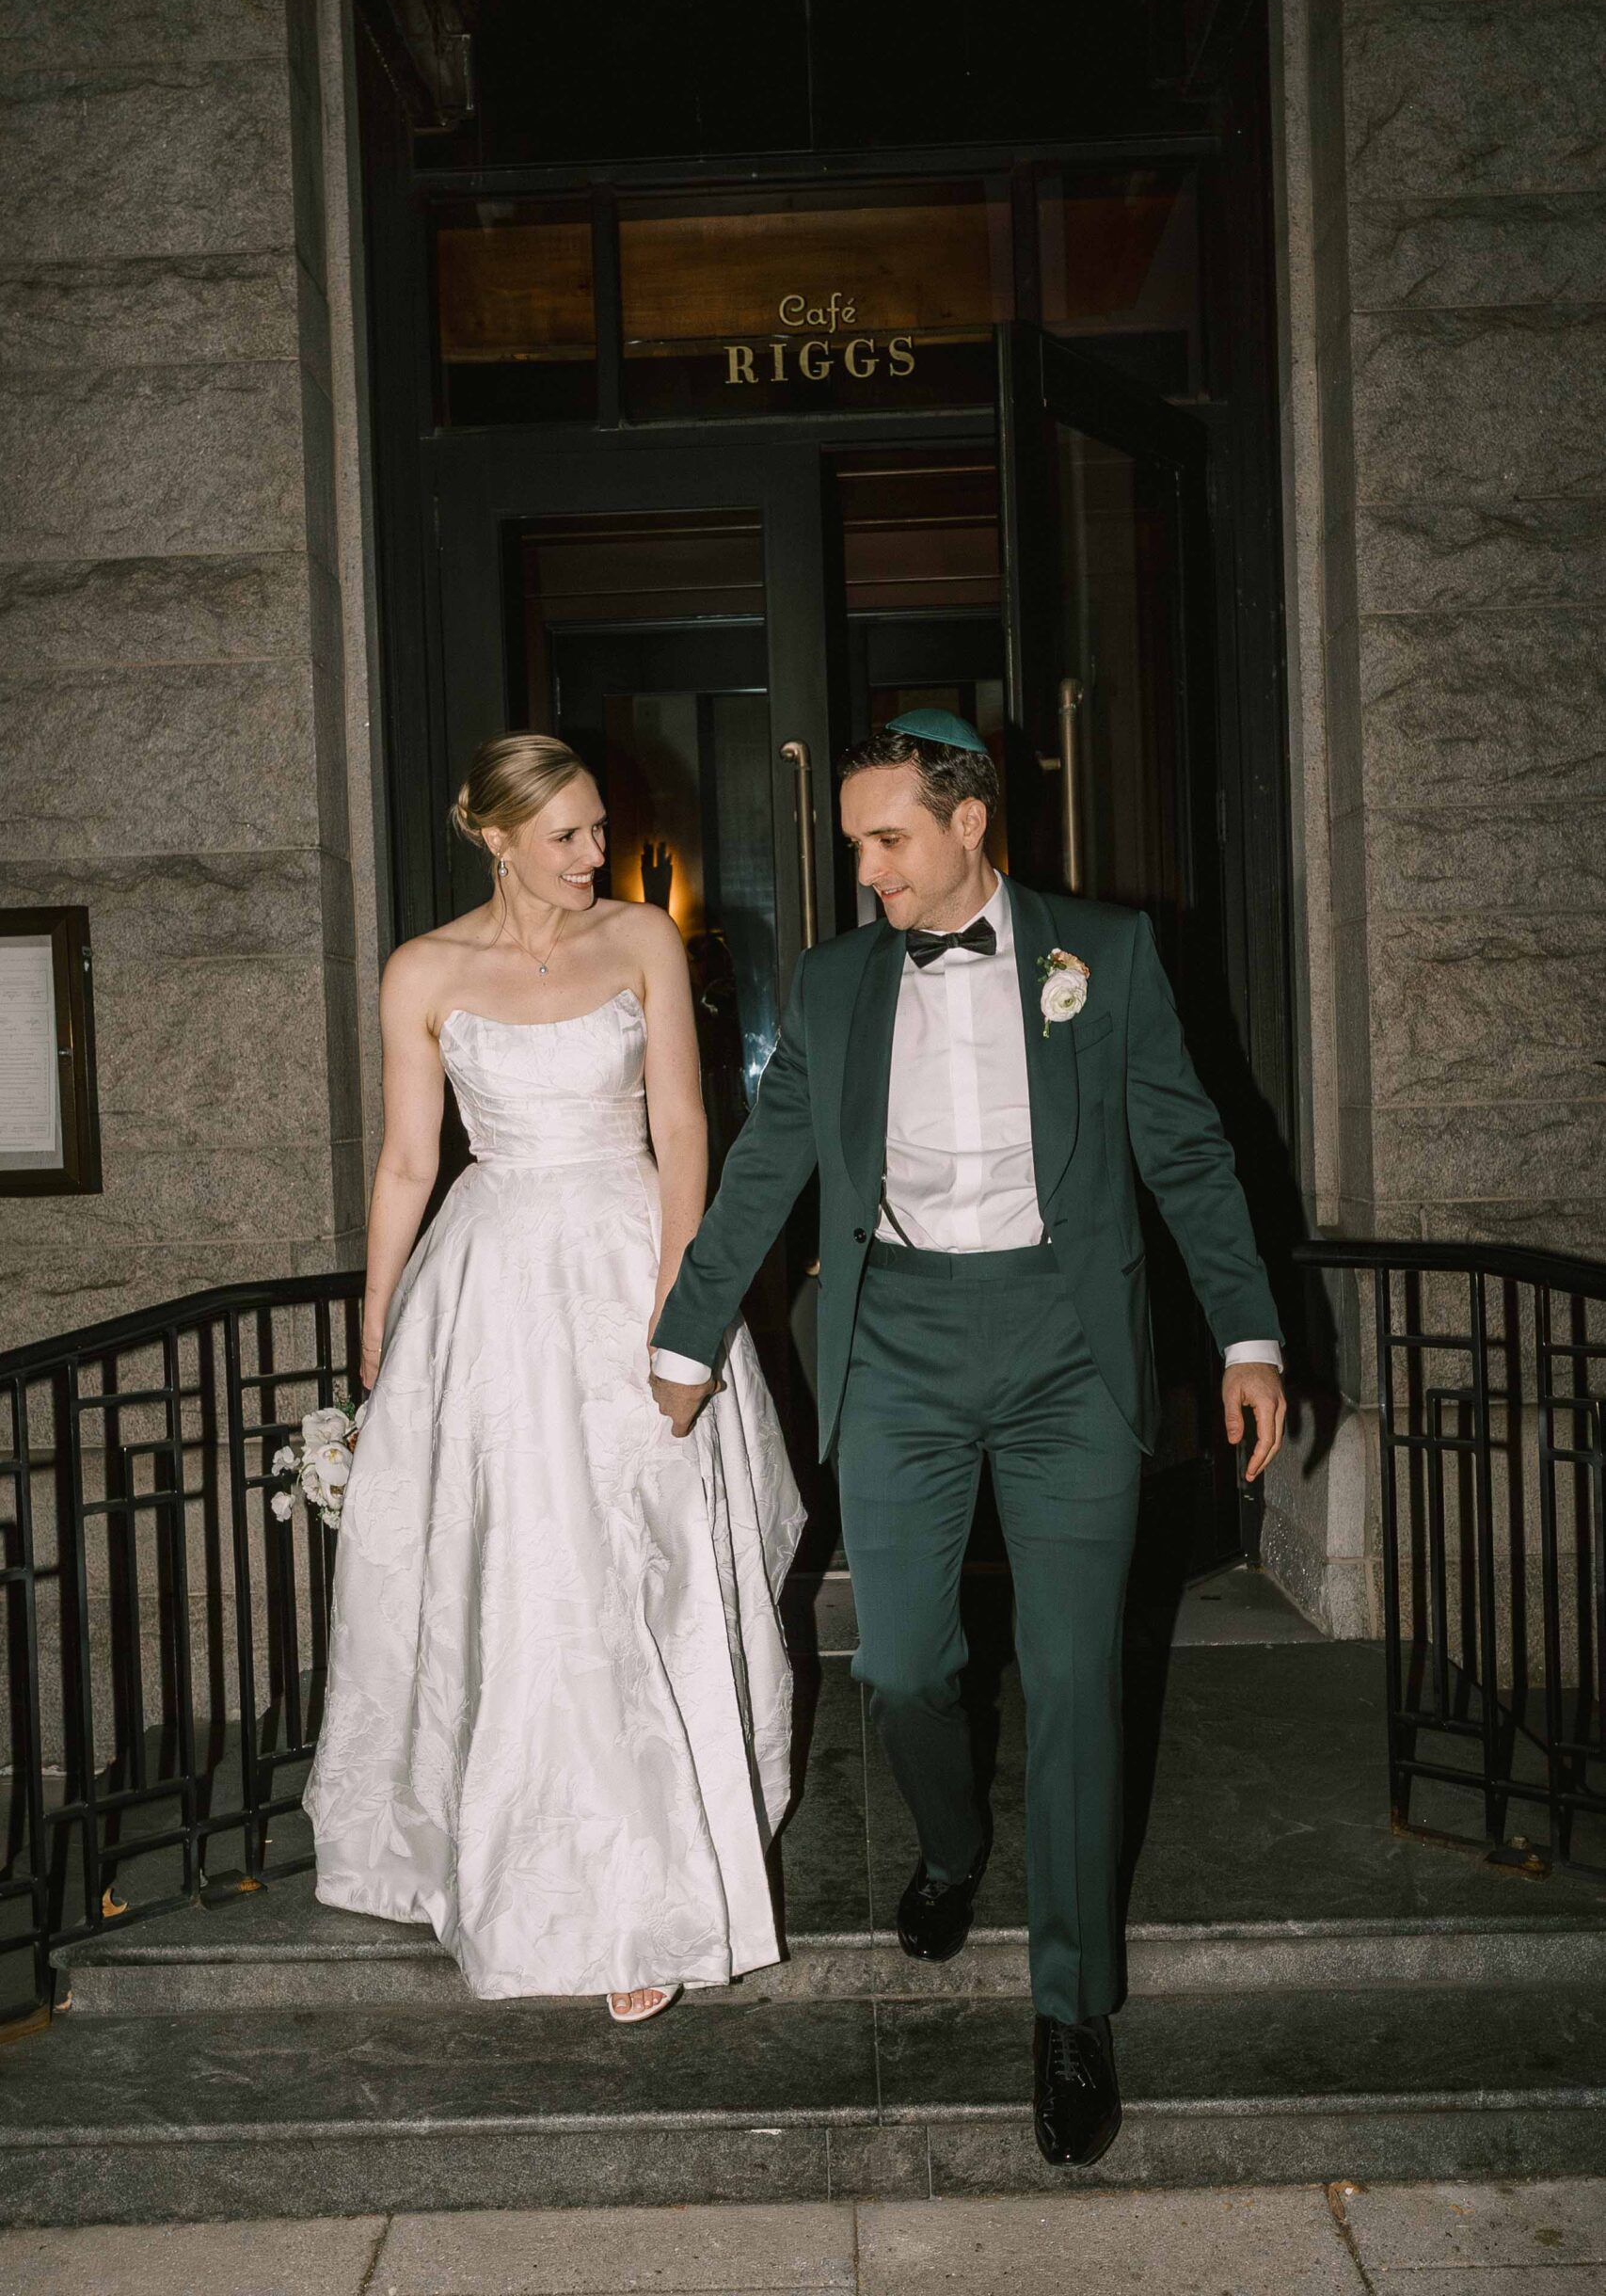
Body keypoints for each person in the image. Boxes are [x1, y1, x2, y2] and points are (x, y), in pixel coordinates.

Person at [650, 713, 1284, 2162]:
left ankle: (1071, 2008)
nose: (866, 870)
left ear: (970, 823)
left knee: (1073, 1683)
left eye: (887, 840)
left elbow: (1186, 1149)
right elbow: (764, 1174)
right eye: (857, 844)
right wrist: (685, 1340)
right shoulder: (832, 984)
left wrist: (1247, 1336)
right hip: (902, 1350)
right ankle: (949, 1845)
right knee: (905, 1664)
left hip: (1070, 1355)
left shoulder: (1102, 958)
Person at [304, 732, 803, 2022]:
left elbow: (687, 1128)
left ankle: (655, 1898)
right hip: (492, 1292)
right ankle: (512, 1865)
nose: (595, 854)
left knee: (641, 1569)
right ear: (498, 834)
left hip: (629, 1259)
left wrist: (676, 1316)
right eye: (570, 834)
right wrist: (376, 1331)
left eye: (597, 828)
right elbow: (410, 1163)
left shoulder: (640, 940)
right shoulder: (422, 969)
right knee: (522, 1578)